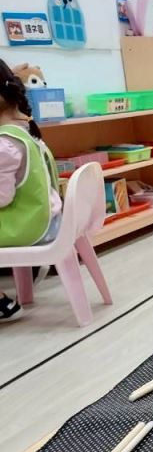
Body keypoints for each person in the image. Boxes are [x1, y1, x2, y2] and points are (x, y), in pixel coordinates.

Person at [0, 58, 62, 322]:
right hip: (49, 218)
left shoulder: (4, 144)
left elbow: (2, 198)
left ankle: (2, 303)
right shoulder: (24, 129)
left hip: (29, 225)